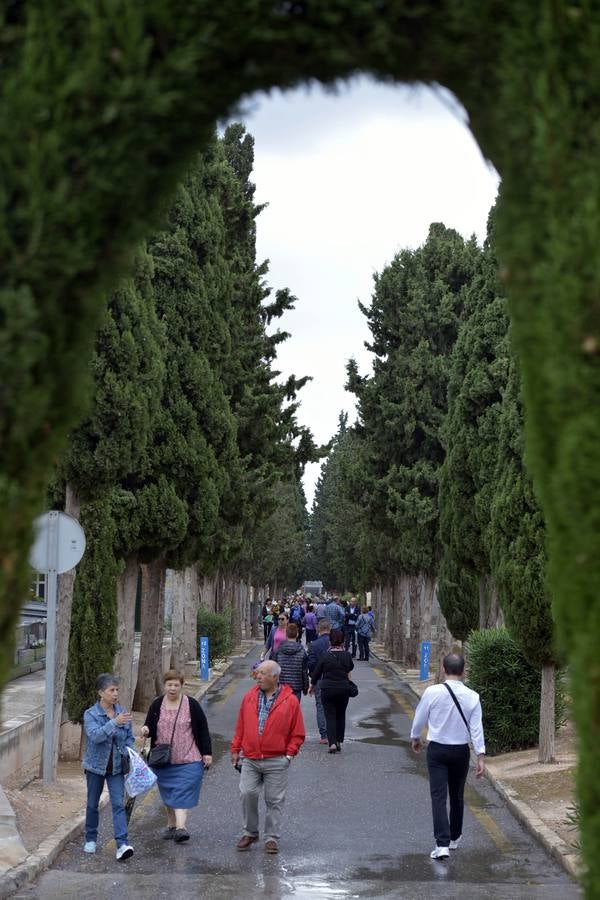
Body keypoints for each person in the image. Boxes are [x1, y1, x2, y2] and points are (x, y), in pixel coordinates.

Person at [410, 653, 486, 860]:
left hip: (437, 749)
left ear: (443, 669)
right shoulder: (473, 696)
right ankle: (455, 837)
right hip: (461, 751)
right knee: (457, 794)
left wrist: (416, 737)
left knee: (438, 796)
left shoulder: (432, 692)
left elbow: (419, 717)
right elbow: (476, 728)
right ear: (463, 671)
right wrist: (480, 755)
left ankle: (441, 844)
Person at [231, 660, 305, 854]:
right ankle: (250, 832)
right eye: (257, 673)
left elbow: (298, 732)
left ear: (275, 676)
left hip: (276, 759)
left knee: (274, 800)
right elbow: (241, 726)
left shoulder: (290, 700)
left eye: (263, 673)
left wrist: (289, 755)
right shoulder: (249, 697)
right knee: (247, 793)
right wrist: (235, 749)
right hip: (251, 758)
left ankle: (271, 838)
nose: (259, 677)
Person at [141, 669, 212, 843]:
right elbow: (149, 725)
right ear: (164, 686)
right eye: (169, 685)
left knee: (181, 792)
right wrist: (145, 730)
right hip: (163, 760)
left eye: (176, 685)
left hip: (189, 758)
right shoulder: (157, 704)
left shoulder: (192, 705)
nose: (172, 688)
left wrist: (207, 753)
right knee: (168, 793)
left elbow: (203, 730)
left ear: (182, 686)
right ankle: (171, 825)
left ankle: (181, 828)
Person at [82, 673, 135, 860]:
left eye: (117, 690)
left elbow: (129, 738)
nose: (115, 694)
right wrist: (114, 722)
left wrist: (130, 752)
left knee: (119, 804)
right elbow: (95, 736)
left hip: (117, 768)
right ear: (100, 693)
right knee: (92, 804)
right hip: (95, 766)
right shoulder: (91, 714)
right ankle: (90, 839)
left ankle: (122, 844)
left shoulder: (123, 712)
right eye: (111, 690)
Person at [310, 628, 354, 753]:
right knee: (340, 715)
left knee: (329, 716)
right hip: (343, 689)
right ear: (342, 641)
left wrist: (312, 685)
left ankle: (332, 743)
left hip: (327, 689)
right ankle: (339, 740)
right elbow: (350, 666)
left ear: (330, 641)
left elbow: (317, 672)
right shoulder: (347, 655)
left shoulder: (325, 655)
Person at [307, 619, 331, 744]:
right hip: (334, 679)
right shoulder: (335, 643)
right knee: (333, 706)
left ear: (318, 629)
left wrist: (313, 678)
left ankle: (324, 735)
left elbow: (311, 663)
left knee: (321, 706)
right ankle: (334, 733)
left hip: (320, 679)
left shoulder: (314, 644)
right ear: (329, 629)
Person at [273, 623, 309, 700]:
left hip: (281, 687)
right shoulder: (302, 652)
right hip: (296, 687)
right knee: (294, 710)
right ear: (297, 634)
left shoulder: (278, 651)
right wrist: (306, 687)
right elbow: (304, 672)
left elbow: (274, 670)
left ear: (286, 634)